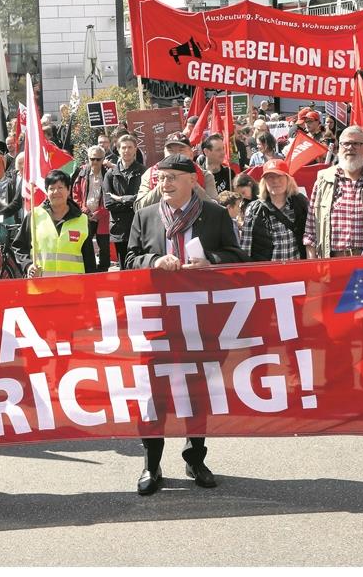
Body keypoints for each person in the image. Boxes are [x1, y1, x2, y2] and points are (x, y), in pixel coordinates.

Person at [126, 153, 247, 495]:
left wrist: (210, 260)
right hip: (156, 320)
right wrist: (154, 260)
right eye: (160, 178)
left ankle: (195, 458)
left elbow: (237, 257)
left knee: (197, 392)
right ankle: (151, 465)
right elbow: (129, 258)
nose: (164, 184)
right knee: (154, 395)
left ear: (192, 181)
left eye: (171, 178)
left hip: (201, 318)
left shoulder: (215, 215)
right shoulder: (146, 216)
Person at [306, 126, 363, 259]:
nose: (350, 148)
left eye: (356, 144)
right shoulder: (323, 180)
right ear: (339, 147)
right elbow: (311, 230)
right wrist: (312, 265)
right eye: (346, 144)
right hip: (333, 262)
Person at [12, 169, 97, 276]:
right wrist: (28, 265)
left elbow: (89, 259)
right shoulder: (34, 216)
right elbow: (19, 246)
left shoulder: (82, 220)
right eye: (51, 188)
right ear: (46, 191)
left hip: (73, 287)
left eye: (60, 187)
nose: (56, 192)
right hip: (41, 287)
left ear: (68, 189)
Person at [240, 159, 309, 261]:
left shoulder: (301, 203)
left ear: (288, 179)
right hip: (267, 274)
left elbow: (311, 238)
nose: (275, 181)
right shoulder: (253, 209)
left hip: (297, 271)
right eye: (270, 177)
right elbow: (245, 248)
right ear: (264, 182)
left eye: (279, 176)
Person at [134, 133, 216, 211]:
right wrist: (162, 182)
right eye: (171, 150)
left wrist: (192, 183)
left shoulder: (205, 175)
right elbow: (139, 208)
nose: (176, 155)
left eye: (181, 150)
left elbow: (215, 208)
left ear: (191, 154)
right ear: (164, 153)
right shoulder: (150, 174)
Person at [103, 135, 145, 270]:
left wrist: (121, 199)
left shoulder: (143, 171)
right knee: (124, 267)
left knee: (139, 264)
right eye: (123, 147)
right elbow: (108, 203)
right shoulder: (110, 174)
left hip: (139, 225)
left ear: (135, 149)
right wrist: (132, 201)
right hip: (119, 228)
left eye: (130, 147)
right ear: (118, 149)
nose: (126, 150)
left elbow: (144, 199)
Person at [72, 145, 112, 272]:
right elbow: (75, 193)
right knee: (86, 245)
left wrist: (101, 212)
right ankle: (89, 270)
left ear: (103, 159)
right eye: (92, 159)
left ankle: (104, 271)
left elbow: (111, 196)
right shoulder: (82, 173)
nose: (94, 162)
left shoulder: (108, 174)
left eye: (98, 159)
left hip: (103, 217)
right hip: (86, 215)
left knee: (104, 247)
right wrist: (84, 209)